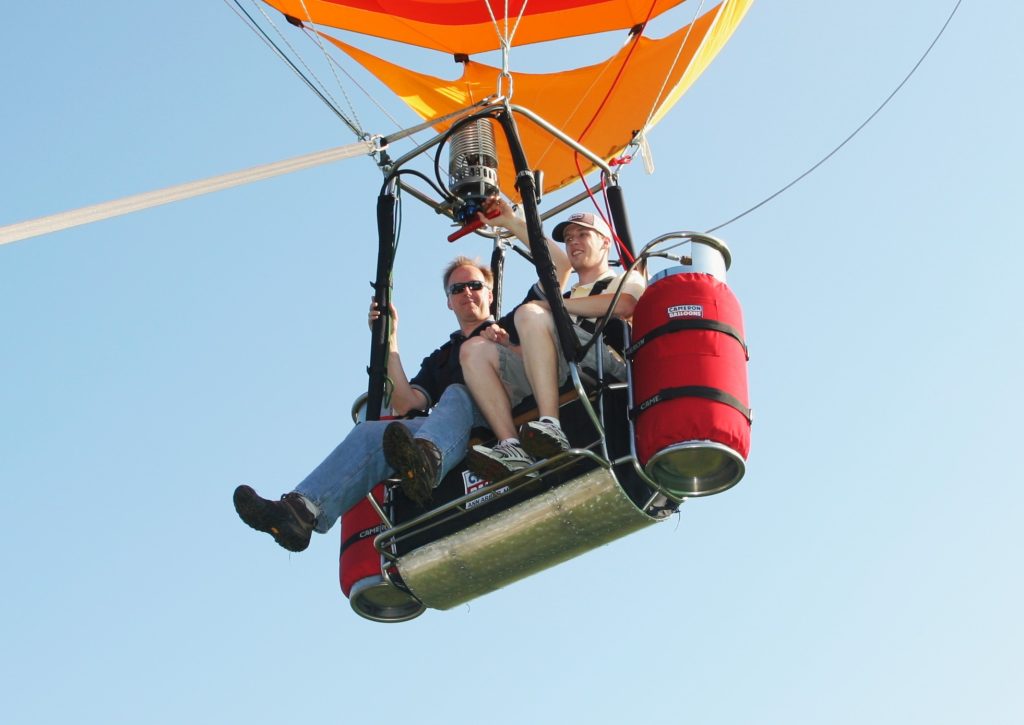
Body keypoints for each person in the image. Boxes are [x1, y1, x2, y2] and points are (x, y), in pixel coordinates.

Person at [233, 256, 504, 552]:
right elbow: (406, 402)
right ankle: (300, 512)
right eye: (457, 289)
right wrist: (389, 337)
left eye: (475, 285)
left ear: (490, 294)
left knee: (458, 393)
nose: (466, 292)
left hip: (500, 414)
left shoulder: (509, 329)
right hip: (449, 429)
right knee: (371, 432)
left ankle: (427, 461)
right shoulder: (441, 358)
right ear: (448, 302)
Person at [460, 200, 646, 482]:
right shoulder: (564, 298)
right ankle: (512, 447)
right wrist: (506, 346)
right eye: (569, 238)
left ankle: (551, 424)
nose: (574, 242)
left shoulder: (624, 279)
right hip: (564, 361)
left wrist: (556, 307)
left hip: (602, 359)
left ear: (605, 243)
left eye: (583, 235)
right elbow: (539, 350)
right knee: (473, 350)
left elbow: (626, 305)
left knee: (530, 311)